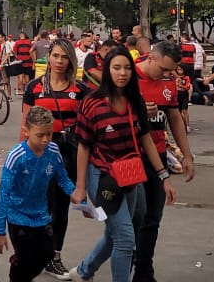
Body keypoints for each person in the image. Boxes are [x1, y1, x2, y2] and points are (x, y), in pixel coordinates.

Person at [68, 50, 176, 282]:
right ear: (107, 70)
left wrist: (164, 176)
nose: (122, 73)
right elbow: (84, 146)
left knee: (122, 232)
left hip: (130, 175)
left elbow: (146, 140)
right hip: (102, 176)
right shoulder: (91, 103)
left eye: (127, 68)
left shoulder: (135, 101)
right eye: (116, 67)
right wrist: (80, 187)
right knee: (125, 239)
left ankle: (85, 270)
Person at [19, 39, 90, 280]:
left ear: (71, 60)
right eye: (56, 56)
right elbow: (25, 125)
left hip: (68, 154)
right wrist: (22, 157)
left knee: (60, 208)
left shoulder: (81, 90)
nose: (59, 61)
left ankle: (54, 257)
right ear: (48, 57)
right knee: (38, 205)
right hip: (39, 152)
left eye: (65, 57)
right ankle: (36, 253)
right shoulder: (34, 87)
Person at [132, 40, 193, 282]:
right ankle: (116, 264)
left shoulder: (168, 82)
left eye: (171, 70)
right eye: (163, 69)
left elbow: (174, 118)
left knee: (152, 218)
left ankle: (143, 271)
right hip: (129, 156)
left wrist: (186, 155)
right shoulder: (126, 75)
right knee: (129, 219)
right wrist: (138, 112)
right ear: (151, 58)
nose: (167, 75)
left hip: (157, 156)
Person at [0, 106, 76, 282]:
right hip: (17, 217)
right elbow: (4, 194)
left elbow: (63, 179)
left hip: (41, 215)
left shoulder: (53, 151)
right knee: (26, 258)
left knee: (47, 255)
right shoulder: (16, 156)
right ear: (26, 131)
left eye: (49, 134)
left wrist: (76, 194)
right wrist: (0, 232)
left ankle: (19, 268)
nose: (45, 139)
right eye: (40, 135)